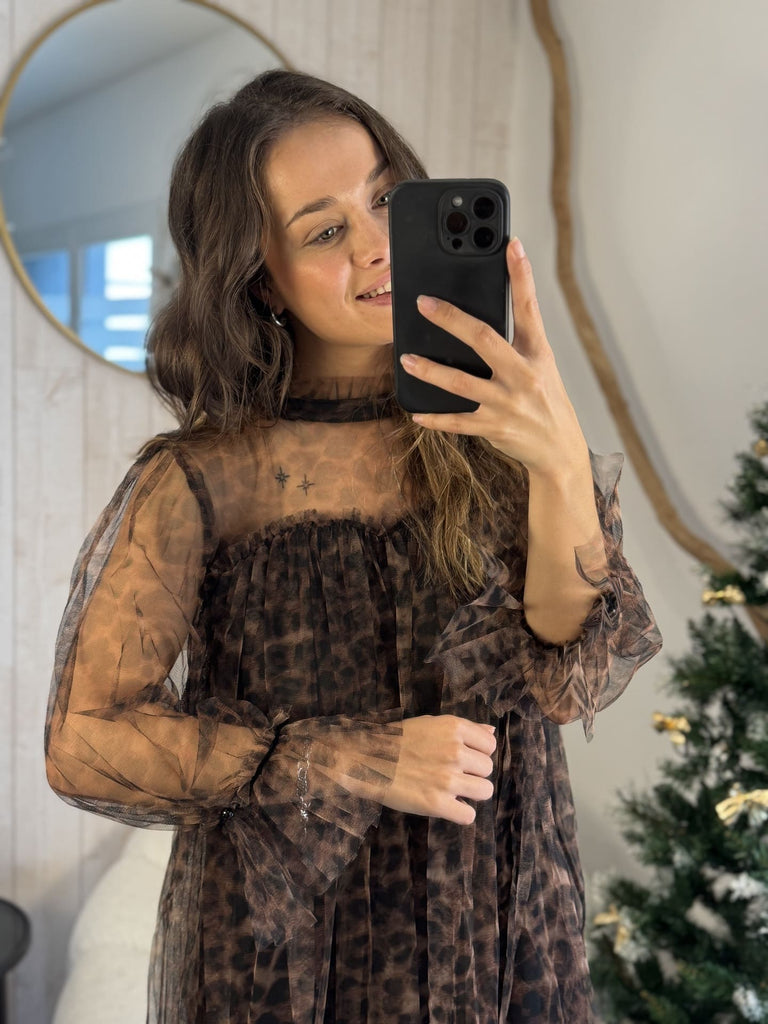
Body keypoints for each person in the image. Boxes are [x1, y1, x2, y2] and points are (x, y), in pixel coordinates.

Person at [44, 69, 662, 1023]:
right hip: (292, 956)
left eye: (384, 199)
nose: (378, 246)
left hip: (499, 923)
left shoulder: (498, 430)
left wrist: (558, 458)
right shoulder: (206, 479)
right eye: (325, 231)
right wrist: (347, 760)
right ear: (260, 276)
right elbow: (85, 742)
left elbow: (565, 673)